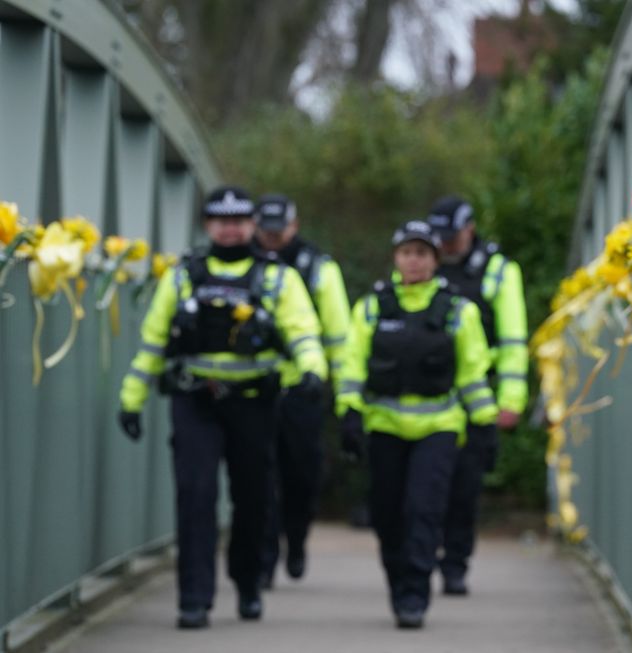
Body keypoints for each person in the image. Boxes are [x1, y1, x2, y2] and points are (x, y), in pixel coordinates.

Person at [117, 186, 326, 630]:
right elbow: (153, 342)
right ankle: (194, 599)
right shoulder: (182, 276)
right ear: (207, 224)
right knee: (195, 496)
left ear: (251, 225)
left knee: (252, 498)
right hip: (195, 401)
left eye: (238, 220)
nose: (230, 228)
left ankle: (248, 582)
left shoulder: (276, 278)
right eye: (220, 219)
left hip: (254, 403)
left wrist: (312, 371)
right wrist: (131, 398)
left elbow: (303, 329)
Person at [336, 220, 497, 629]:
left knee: (423, 510)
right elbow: (351, 364)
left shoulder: (458, 310)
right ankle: (397, 579)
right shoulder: (372, 306)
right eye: (407, 252)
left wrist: (484, 425)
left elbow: (473, 374)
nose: (414, 261)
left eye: (422, 253)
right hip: (385, 426)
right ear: (395, 258)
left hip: (439, 426)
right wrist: (350, 412)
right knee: (388, 513)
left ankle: (415, 593)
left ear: (435, 260)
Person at [426, 196, 529, 596]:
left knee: (464, 487)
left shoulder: (499, 271)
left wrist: (511, 399)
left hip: (477, 397)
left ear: (469, 229)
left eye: (450, 237)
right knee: (425, 484)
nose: (444, 245)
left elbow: (513, 340)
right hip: (427, 392)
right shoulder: (422, 261)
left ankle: (454, 564)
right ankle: (422, 555)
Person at [252, 194, 350, 588]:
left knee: (302, 476)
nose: (273, 238)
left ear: (294, 225)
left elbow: (339, 337)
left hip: (303, 390)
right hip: (255, 387)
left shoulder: (319, 269)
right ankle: (265, 557)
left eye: (280, 230)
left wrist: (344, 398)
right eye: (267, 230)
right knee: (259, 475)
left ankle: (297, 539)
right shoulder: (241, 263)